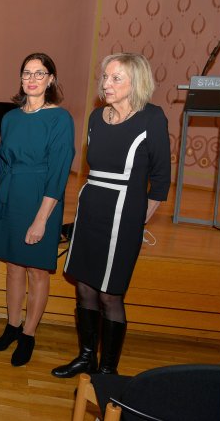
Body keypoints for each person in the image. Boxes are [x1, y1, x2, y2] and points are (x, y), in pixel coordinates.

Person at [52, 53, 171, 378]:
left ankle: (107, 371)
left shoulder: (152, 118)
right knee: (85, 288)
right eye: (105, 77)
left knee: (109, 294)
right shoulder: (95, 117)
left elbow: (160, 182)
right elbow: (93, 171)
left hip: (124, 213)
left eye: (116, 78)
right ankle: (86, 358)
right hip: (91, 208)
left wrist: (136, 221)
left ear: (137, 82)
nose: (106, 83)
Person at [0, 53, 75, 366]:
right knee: (13, 267)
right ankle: (11, 326)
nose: (31, 79)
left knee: (36, 270)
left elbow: (59, 173)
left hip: (41, 200)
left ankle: (29, 334)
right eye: (26, 73)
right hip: (10, 196)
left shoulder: (60, 119)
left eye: (39, 73)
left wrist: (41, 220)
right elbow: (2, 165)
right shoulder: (10, 118)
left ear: (51, 79)